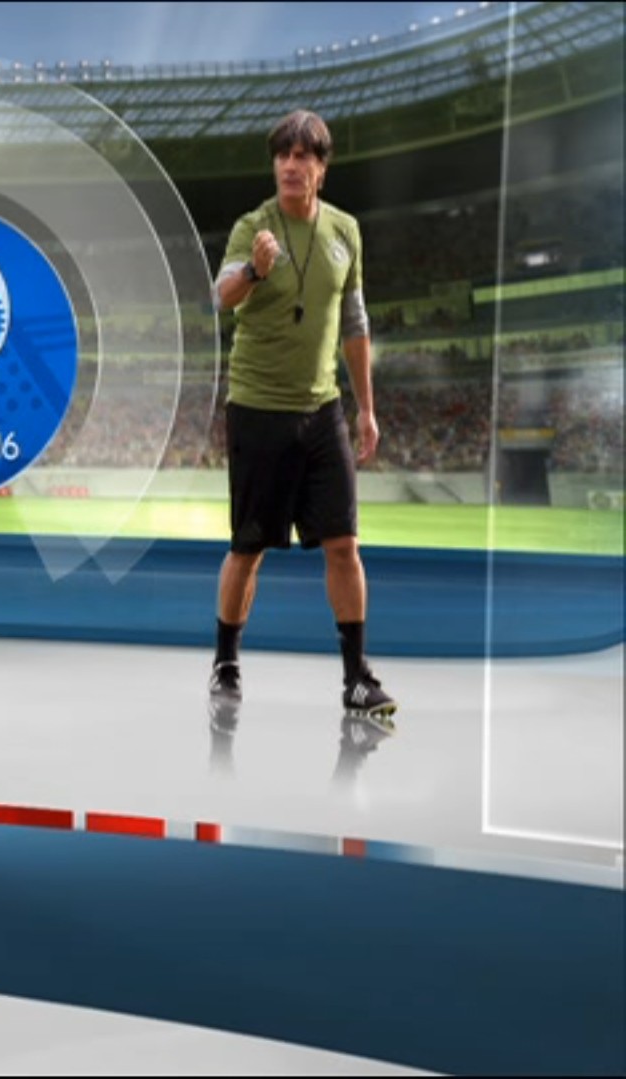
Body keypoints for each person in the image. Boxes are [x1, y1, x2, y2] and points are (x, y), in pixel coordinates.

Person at [210, 109, 396, 723]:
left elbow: (355, 324)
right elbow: (221, 295)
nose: (291, 165)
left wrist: (366, 408)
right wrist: (254, 270)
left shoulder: (346, 231)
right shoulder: (253, 226)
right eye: (283, 156)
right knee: (249, 548)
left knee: (344, 545)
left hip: (323, 409)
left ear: (321, 168)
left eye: (303, 156)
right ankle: (226, 662)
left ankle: (357, 678)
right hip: (258, 407)